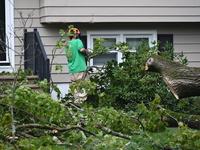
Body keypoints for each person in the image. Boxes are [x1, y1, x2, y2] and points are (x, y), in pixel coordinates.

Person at [65, 27, 89, 106]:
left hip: (72, 70)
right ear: (76, 35)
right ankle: (80, 104)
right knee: (85, 85)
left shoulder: (67, 45)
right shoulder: (78, 41)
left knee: (76, 89)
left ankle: (76, 103)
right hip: (80, 68)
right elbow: (81, 50)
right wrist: (87, 51)